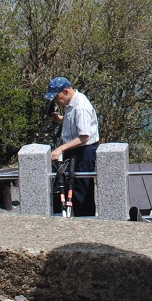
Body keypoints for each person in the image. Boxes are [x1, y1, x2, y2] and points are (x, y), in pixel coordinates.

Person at [44, 76, 100, 217]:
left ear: (65, 91)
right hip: (74, 150)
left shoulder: (80, 106)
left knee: (82, 190)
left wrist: (60, 148)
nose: (56, 100)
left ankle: (85, 219)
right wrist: (60, 119)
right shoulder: (71, 104)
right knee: (72, 188)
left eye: (57, 96)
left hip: (84, 151)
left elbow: (84, 136)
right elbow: (75, 123)